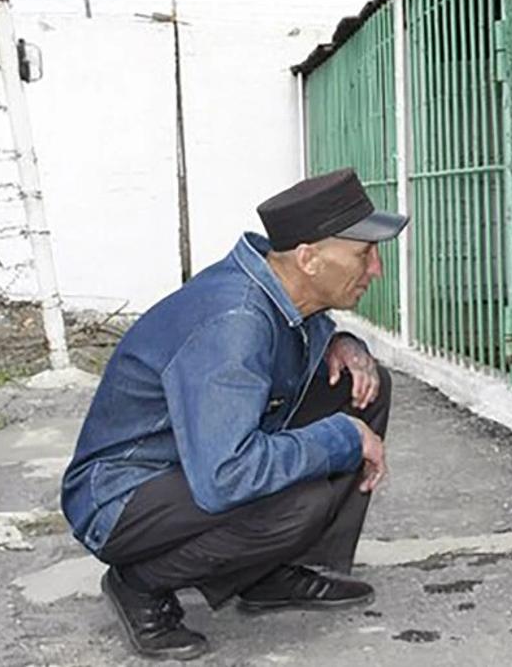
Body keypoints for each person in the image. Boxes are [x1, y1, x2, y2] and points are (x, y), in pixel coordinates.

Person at [60, 168, 409, 661]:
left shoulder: (276, 286)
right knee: (297, 503)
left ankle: (269, 575)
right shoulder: (234, 322)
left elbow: (295, 332)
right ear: (308, 258)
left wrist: (338, 341)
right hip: (120, 497)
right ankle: (139, 583)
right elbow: (228, 473)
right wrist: (343, 438)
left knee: (363, 388)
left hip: (189, 460)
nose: (375, 270)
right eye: (362, 254)